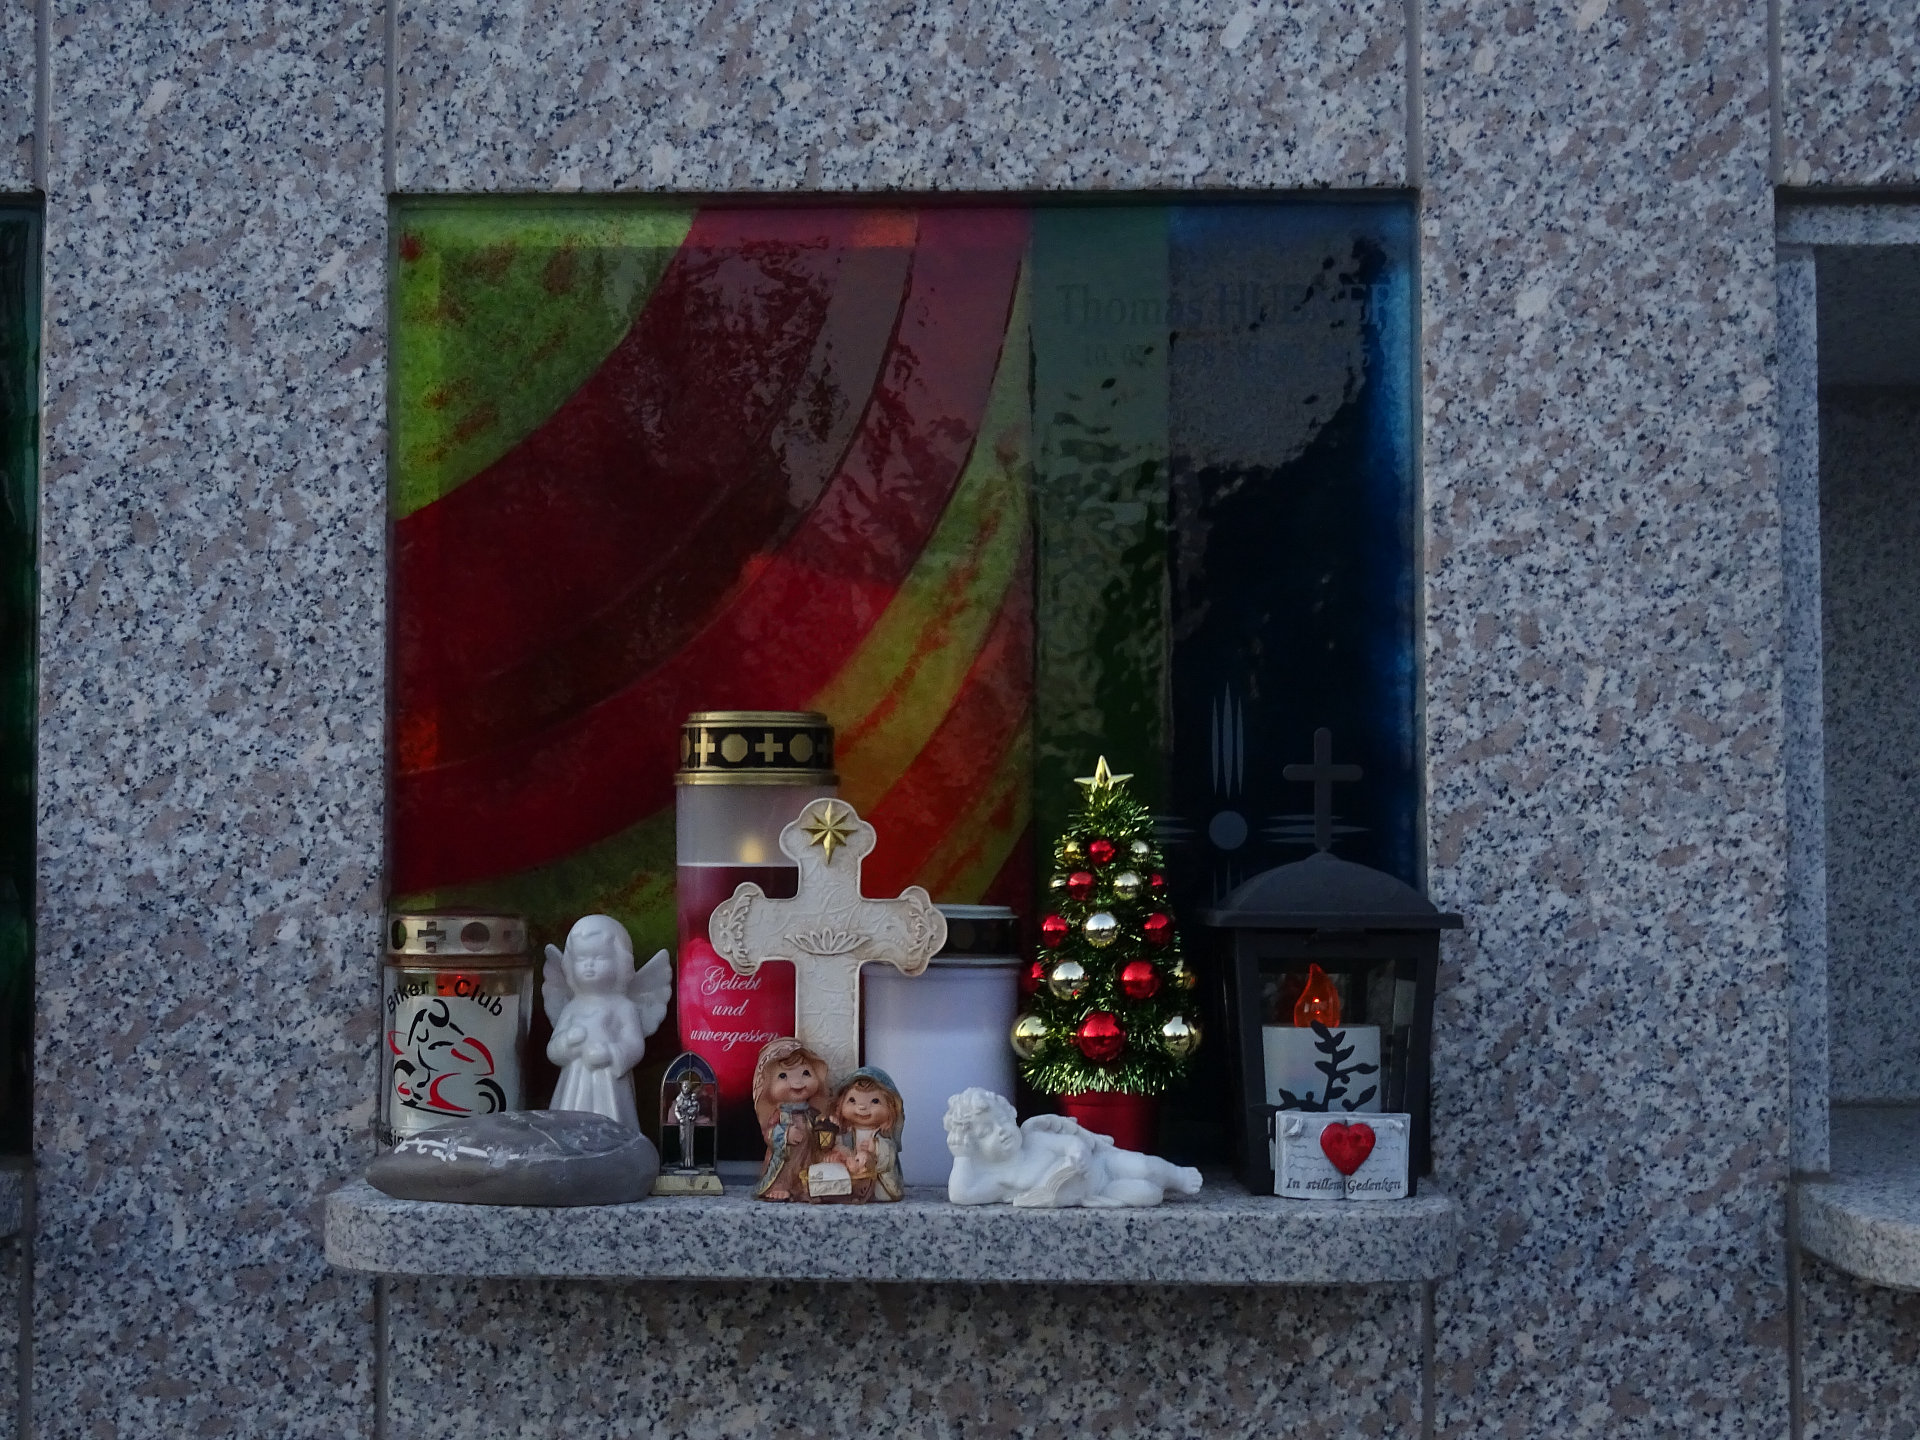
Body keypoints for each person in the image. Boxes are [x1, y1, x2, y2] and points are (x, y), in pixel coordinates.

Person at [750, 1038, 830, 1201]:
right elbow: (769, 1134)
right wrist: (785, 1134)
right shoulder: (778, 1115)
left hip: (807, 1155)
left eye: (806, 1073)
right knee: (784, 1168)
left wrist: (827, 1129)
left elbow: (821, 1132)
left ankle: (804, 1187)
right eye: (783, 1076)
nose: (797, 1082)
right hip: (786, 1158)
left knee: (810, 1170)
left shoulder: (812, 1112)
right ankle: (779, 1185)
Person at [828, 1067, 905, 1203]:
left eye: (875, 1101)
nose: (862, 1107)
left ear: (891, 1107)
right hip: (853, 1179)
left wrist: (876, 1147)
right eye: (852, 1100)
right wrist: (838, 1154)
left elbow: (890, 1153)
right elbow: (840, 1147)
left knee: (880, 1191)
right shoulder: (847, 1133)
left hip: (877, 1181)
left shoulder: (881, 1135)